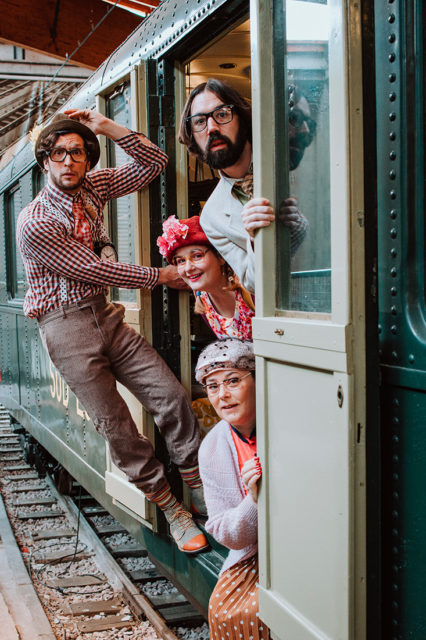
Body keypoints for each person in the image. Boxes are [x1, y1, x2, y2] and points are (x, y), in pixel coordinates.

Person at [16, 109, 209, 555]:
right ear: (46, 162)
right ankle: (171, 509)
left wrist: (108, 127)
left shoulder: (94, 188)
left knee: (171, 395)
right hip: (65, 327)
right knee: (117, 427)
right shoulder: (35, 221)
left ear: (87, 160)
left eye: (78, 153)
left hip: (104, 315)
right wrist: (161, 277)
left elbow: (153, 164)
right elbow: (90, 267)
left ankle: (196, 481)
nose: (69, 162)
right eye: (60, 153)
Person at [179, 78, 315, 292]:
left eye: (222, 114)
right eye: (199, 122)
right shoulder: (212, 216)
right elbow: (253, 284)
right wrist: (254, 240)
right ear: (193, 137)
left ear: (242, 119)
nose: (211, 128)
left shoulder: (288, 156)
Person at [195, 338, 270, 640]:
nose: (223, 395)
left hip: (300, 545)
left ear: (257, 379)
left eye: (233, 381)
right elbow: (226, 534)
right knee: (227, 611)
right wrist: (254, 500)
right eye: (212, 387)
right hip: (253, 553)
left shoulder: (285, 425)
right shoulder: (212, 447)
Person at [157, 214, 254, 340]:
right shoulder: (202, 298)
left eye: (197, 256)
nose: (188, 268)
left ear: (220, 257)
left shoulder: (249, 288)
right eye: (180, 261)